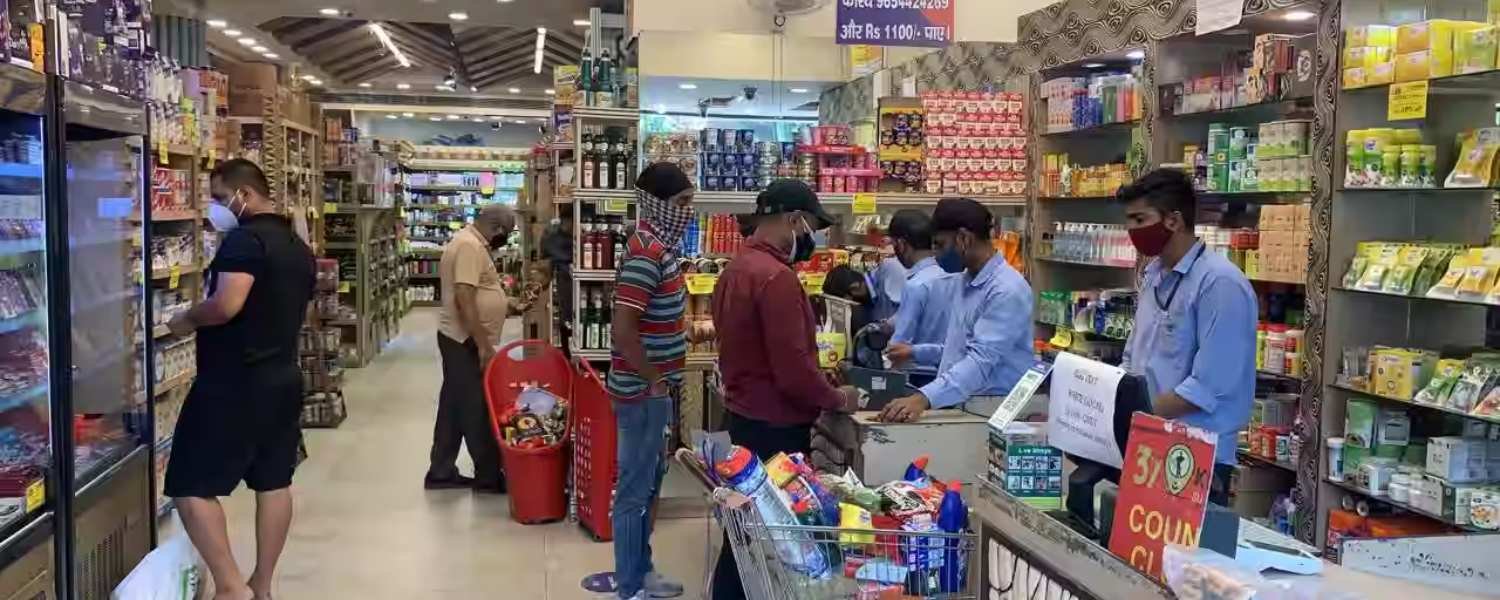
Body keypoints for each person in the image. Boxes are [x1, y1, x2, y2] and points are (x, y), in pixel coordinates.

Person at [163, 159, 315, 600]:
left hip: (234, 381)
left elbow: (227, 304)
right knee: (274, 482)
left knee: (189, 485)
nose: (216, 206)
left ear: (244, 195)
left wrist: (188, 318)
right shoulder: (297, 244)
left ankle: (232, 588)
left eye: (219, 197)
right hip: (282, 377)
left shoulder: (244, 241)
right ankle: (261, 585)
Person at [710, 179, 862, 600]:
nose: (814, 238)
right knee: (776, 538)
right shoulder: (777, 278)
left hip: (743, 418)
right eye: (813, 226)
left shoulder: (736, 269)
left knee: (744, 534)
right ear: (794, 220)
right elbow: (793, 371)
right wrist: (837, 398)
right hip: (775, 429)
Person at [1116, 168, 1256, 504]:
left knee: (1189, 541)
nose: (1132, 231)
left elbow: (1208, 387)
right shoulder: (1154, 276)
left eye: (1140, 219)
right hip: (1148, 445)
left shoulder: (1220, 284)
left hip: (1197, 455)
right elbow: (1133, 359)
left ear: (1173, 220)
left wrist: (1136, 412)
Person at [608, 163, 694, 600]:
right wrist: (654, 380)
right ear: (655, 203)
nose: (688, 211)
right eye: (681, 202)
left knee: (650, 484)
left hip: (654, 390)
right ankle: (629, 586)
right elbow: (623, 329)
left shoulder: (661, 248)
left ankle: (642, 571)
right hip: (642, 392)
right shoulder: (646, 253)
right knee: (634, 491)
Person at [880, 198, 1034, 423]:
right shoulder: (964, 281)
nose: (936, 255)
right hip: (963, 405)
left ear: (964, 239)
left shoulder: (1006, 290)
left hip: (993, 410)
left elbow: (980, 361)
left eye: (940, 245)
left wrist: (924, 398)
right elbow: (957, 349)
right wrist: (915, 353)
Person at [424, 204, 518, 494]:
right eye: (507, 233)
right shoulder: (468, 246)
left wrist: (504, 303)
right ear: (498, 228)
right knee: (475, 408)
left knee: (453, 407)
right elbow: (464, 296)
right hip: (463, 339)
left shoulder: (469, 242)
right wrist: (483, 345)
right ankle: (489, 476)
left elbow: (476, 292)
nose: (505, 239)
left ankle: (440, 471)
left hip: (458, 337)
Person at [885, 209, 955, 388]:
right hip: (949, 374)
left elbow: (898, 346)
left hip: (918, 378)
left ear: (901, 245)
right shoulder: (952, 279)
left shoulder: (915, 285)